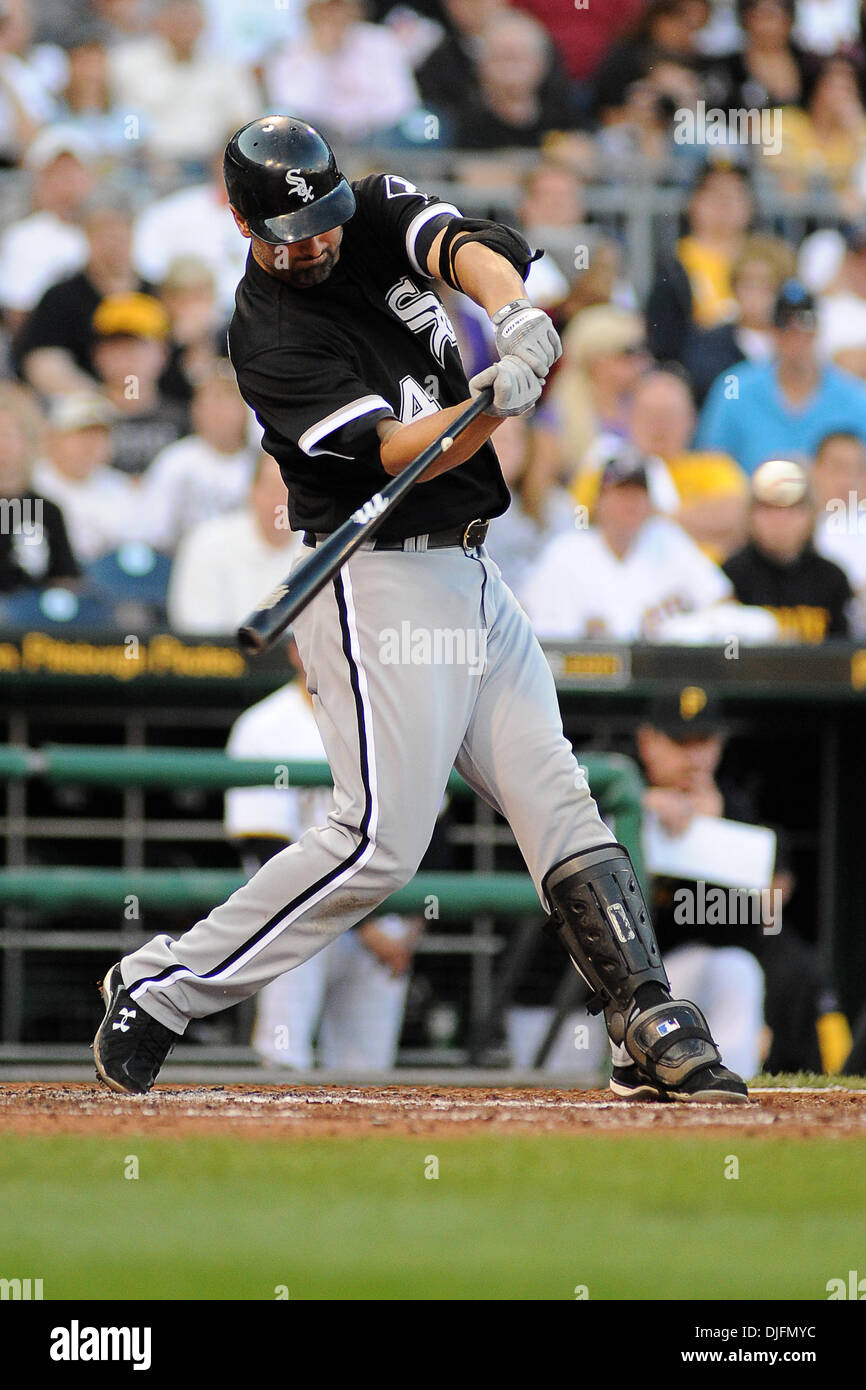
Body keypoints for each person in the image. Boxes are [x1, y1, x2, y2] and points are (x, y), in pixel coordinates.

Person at [93, 114, 748, 1105]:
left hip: (474, 568)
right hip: (375, 576)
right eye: (291, 232)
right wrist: (486, 404)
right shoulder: (266, 333)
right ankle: (161, 982)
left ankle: (641, 1013)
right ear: (242, 224)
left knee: (555, 797)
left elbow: (462, 248)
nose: (313, 241)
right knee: (376, 842)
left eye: (321, 219)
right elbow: (400, 453)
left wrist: (516, 317)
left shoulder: (367, 206)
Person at [225, 643, 422, 1071]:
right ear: (295, 652)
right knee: (284, 1058)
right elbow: (263, 844)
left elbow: (434, 832)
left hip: (384, 915)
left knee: (366, 1071)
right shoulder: (263, 725)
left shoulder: (392, 720)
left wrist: (411, 928)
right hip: (297, 915)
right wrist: (366, 929)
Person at [522, 444, 734, 641]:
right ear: (599, 501)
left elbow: (721, 600)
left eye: (637, 495)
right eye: (620, 494)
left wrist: (691, 627)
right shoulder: (567, 551)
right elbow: (535, 626)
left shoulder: (669, 540)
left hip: (655, 672)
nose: (629, 505)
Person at [696, 280, 866, 473]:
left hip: (832, 502)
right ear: (772, 331)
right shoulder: (735, 387)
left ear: (818, 330)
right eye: (785, 327)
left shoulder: (854, 396)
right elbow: (710, 461)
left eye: (805, 326)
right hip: (750, 498)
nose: (796, 337)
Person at [167, 452, 303, 634]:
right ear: (252, 492)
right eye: (271, 490)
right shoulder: (206, 542)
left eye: (289, 491)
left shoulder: (320, 550)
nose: (280, 502)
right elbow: (196, 628)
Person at [722, 457, 853, 640]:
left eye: (792, 508)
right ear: (750, 514)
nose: (780, 520)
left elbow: (843, 655)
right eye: (769, 507)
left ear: (811, 515)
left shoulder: (831, 578)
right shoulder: (729, 577)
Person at [0, 382, 79, 594]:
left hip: (34, 621)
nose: (2, 445)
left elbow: (64, 580)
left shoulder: (47, 511)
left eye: (8, 435)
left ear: (27, 441)